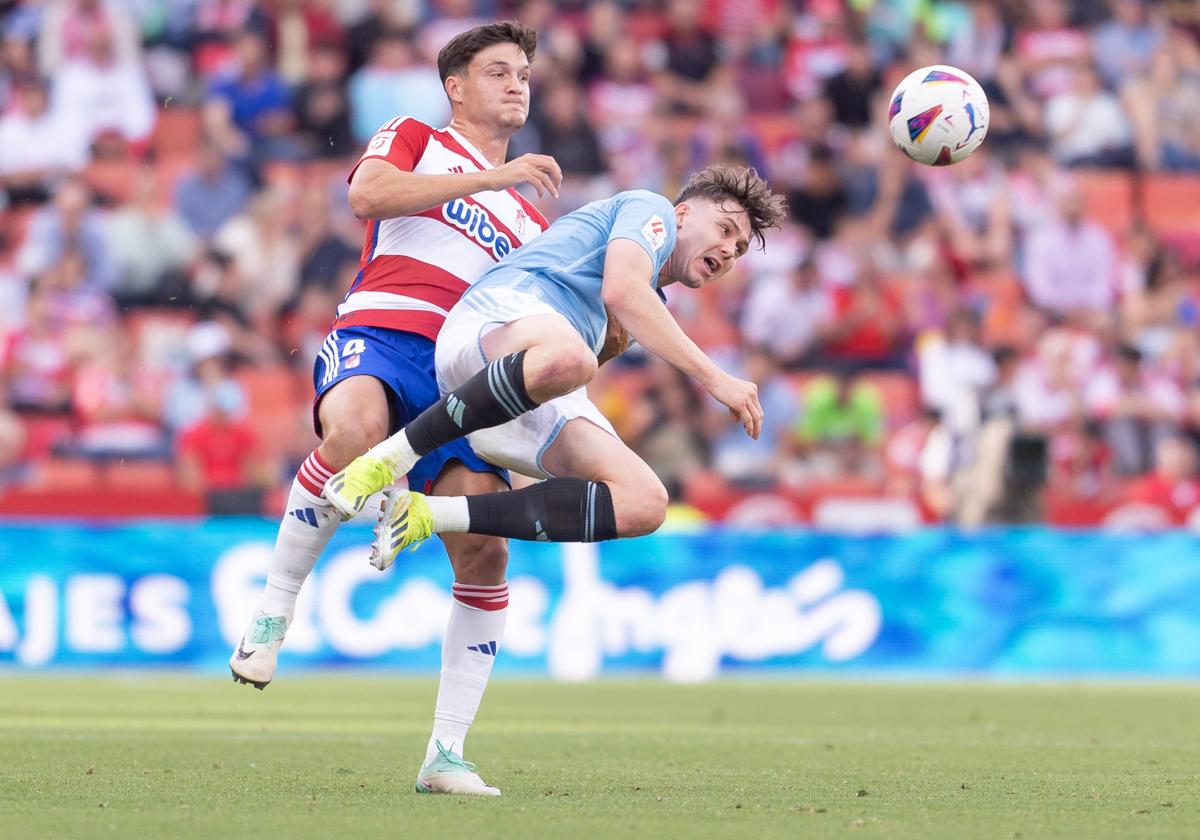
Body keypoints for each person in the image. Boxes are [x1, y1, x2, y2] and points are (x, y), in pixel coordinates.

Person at [228, 21, 561, 798]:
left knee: (485, 551)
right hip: (382, 331)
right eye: (499, 72)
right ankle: (275, 611)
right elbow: (366, 195)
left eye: (524, 75)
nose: (517, 84)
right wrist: (485, 182)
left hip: (461, 377)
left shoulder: (534, 224)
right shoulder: (415, 135)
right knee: (352, 434)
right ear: (457, 86)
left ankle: (445, 753)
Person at [325, 164, 786, 565]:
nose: (730, 251)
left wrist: (606, 350)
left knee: (644, 502)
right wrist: (717, 379)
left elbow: (589, 347)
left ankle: (426, 515)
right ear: (684, 213)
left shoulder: (641, 304)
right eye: (726, 231)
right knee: (572, 358)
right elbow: (622, 291)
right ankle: (390, 458)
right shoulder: (652, 209)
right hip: (493, 321)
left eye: (740, 249)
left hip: (518, 385)